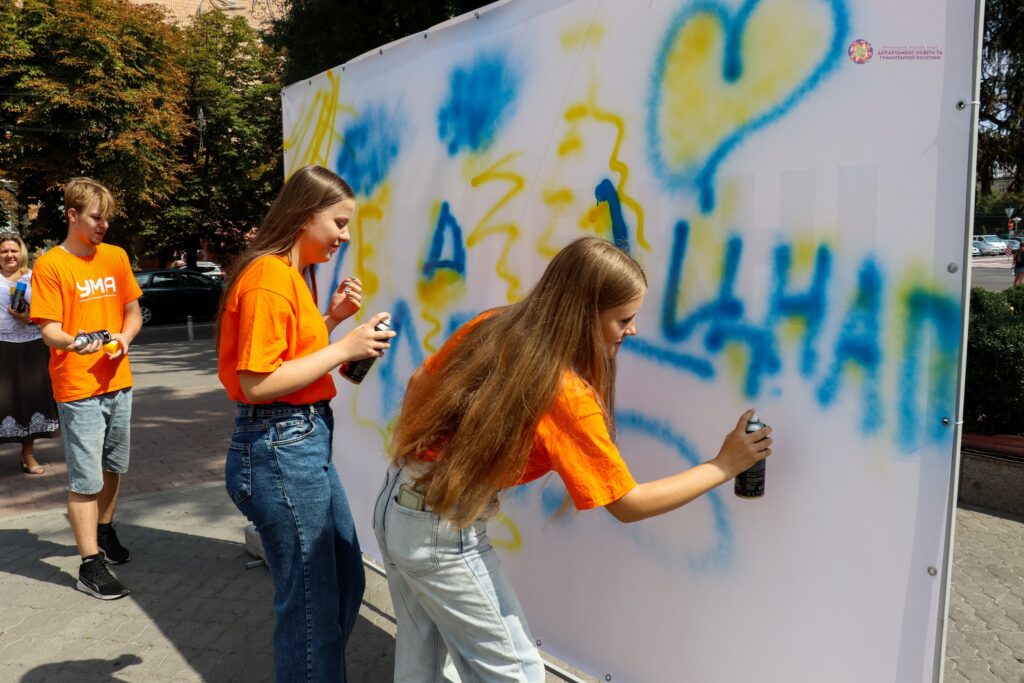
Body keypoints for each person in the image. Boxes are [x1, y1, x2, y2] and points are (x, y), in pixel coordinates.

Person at [373, 236, 773, 682]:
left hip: (398, 501)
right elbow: (628, 503)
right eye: (624, 318)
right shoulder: (565, 391)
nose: (633, 330)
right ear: (584, 314)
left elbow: (415, 383)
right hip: (439, 531)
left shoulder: (495, 323)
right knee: (520, 673)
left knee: (422, 660)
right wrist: (724, 465)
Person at [217, 165, 395, 683]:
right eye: (338, 222)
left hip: (294, 442)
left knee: (341, 579)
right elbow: (257, 382)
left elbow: (285, 355)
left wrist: (332, 321)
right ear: (304, 214)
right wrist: (343, 347)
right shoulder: (270, 277)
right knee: (314, 604)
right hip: (280, 446)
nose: (343, 236)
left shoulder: (282, 275)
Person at [31, 178, 143, 600]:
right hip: (78, 388)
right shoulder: (50, 265)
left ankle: (104, 530)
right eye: (97, 217)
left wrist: (125, 339)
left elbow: (132, 313)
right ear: (73, 215)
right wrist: (81, 340)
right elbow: (49, 331)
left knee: (114, 467)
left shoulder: (115, 257)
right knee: (85, 479)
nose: (104, 226)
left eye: (107, 218)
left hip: (119, 382)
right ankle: (88, 566)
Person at [0, 232, 59, 473]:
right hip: (1, 345)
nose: (9, 255)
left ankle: (28, 454)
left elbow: (49, 311)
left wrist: (28, 318)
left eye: (13, 250)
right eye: (4, 251)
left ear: (21, 252)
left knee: (29, 399)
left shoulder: (34, 278)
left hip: (32, 346)